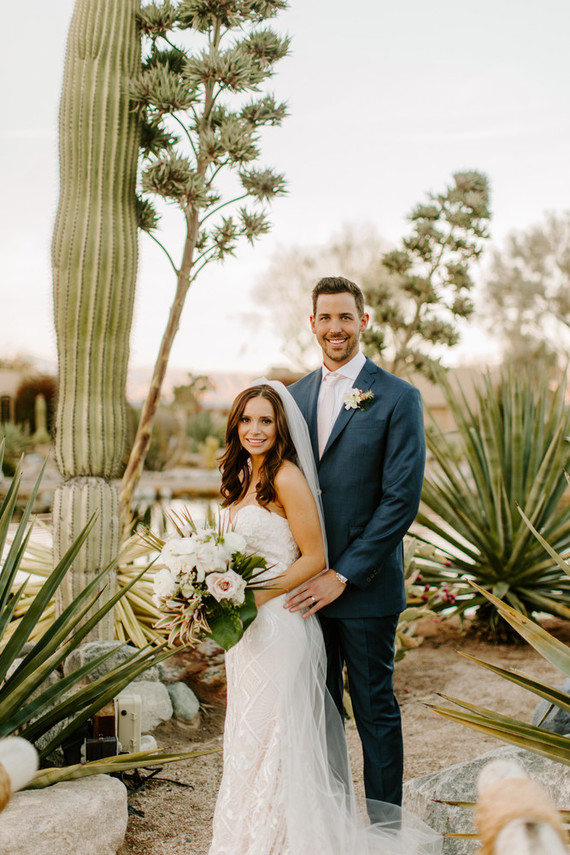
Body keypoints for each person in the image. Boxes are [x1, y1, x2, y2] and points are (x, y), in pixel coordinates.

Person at [208, 383, 440, 854]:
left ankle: (290, 841)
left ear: (280, 428)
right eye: (247, 420)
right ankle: (248, 837)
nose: (255, 429)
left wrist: (253, 595)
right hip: (247, 633)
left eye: (266, 421)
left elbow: (314, 557)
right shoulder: (239, 478)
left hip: (278, 624)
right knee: (248, 735)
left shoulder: (287, 476)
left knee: (281, 738)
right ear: (235, 424)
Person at [286, 276, 426, 808]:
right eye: (325, 317)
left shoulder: (397, 397)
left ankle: (386, 832)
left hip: (363, 589)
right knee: (317, 713)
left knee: (373, 709)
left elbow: (400, 502)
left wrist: (340, 573)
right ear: (313, 323)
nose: (335, 328)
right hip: (303, 591)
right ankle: (330, 825)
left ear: (363, 322)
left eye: (345, 317)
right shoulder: (293, 397)